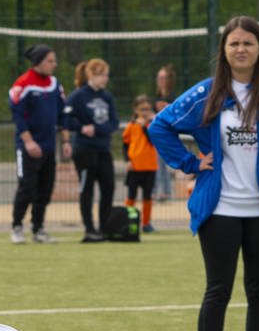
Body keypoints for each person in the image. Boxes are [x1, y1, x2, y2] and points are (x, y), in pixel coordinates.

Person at [149, 15, 259, 331]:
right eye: (234, 44)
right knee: (218, 289)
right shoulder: (205, 94)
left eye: (248, 43)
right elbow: (159, 127)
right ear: (224, 50)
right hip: (219, 208)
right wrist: (190, 163)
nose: (241, 49)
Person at [9, 44, 70, 244]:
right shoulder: (23, 84)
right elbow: (17, 116)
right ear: (38, 62)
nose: (55, 64)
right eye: (50, 61)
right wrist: (28, 142)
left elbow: (63, 114)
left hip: (49, 147)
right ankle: (17, 227)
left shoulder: (54, 84)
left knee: (45, 188)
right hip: (28, 148)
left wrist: (66, 140)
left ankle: (38, 229)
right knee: (27, 187)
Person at [64, 58, 118, 243]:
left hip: (103, 148)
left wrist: (98, 129)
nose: (105, 79)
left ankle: (104, 227)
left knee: (108, 186)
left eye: (106, 75)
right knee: (87, 189)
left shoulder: (107, 97)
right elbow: (66, 118)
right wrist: (82, 128)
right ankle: (89, 229)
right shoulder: (78, 96)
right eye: (102, 75)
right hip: (85, 150)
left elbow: (114, 123)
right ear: (91, 75)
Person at [122, 96, 160, 233]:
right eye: (142, 109)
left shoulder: (153, 125)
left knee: (148, 196)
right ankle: (127, 221)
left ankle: (146, 223)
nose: (145, 112)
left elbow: (152, 141)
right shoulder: (131, 126)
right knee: (131, 195)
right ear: (135, 110)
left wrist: (144, 126)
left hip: (150, 166)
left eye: (147, 109)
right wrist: (128, 160)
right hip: (135, 167)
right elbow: (125, 145)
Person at [154, 64, 178, 201]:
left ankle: (165, 192)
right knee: (158, 163)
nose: (160, 80)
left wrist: (166, 108)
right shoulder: (157, 95)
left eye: (163, 77)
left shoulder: (172, 97)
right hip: (156, 132)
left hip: (167, 133)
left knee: (161, 163)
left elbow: (176, 113)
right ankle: (160, 191)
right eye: (159, 77)